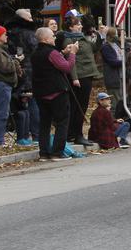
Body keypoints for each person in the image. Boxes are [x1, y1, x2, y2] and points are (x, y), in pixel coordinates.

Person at [32, 26, 76, 161]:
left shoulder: (35, 53)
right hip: (56, 91)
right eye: (52, 36)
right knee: (62, 121)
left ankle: (44, 153)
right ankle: (57, 152)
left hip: (40, 92)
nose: (55, 37)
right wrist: (72, 53)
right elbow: (66, 67)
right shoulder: (51, 52)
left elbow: (51, 63)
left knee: (44, 123)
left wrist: (63, 53)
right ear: (45, 39)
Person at [60, 15, 100, 146]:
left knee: (81, 106)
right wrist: (75, 77)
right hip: (80, 77)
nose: (81, 26)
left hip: (88, 74)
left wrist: (101, 36)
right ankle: (76, 134)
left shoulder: (82, 38)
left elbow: (94, 48)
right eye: (78, 25)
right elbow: (71, 61)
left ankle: (73, 134)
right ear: (71, 27)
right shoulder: (69, 40)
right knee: (79, 107)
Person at [6, 8, 40, 146]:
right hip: (29, 71)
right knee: (32, 102)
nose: (32, 18)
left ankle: (24, 135)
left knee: (21, 104)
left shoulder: (9, 34)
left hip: (16, 71)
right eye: (29, 17)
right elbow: (36, 49)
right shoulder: (29, 34)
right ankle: (36, 134)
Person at [100, 27, 124, 105]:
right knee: (115, 103)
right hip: (113, 78)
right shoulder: (106, 47)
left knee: (121, 101)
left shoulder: (116, 44)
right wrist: (124, 62)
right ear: (111, 35)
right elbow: (113, 62)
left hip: (120, 77)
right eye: (116, 34)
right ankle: (113, 117)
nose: (117, 36)